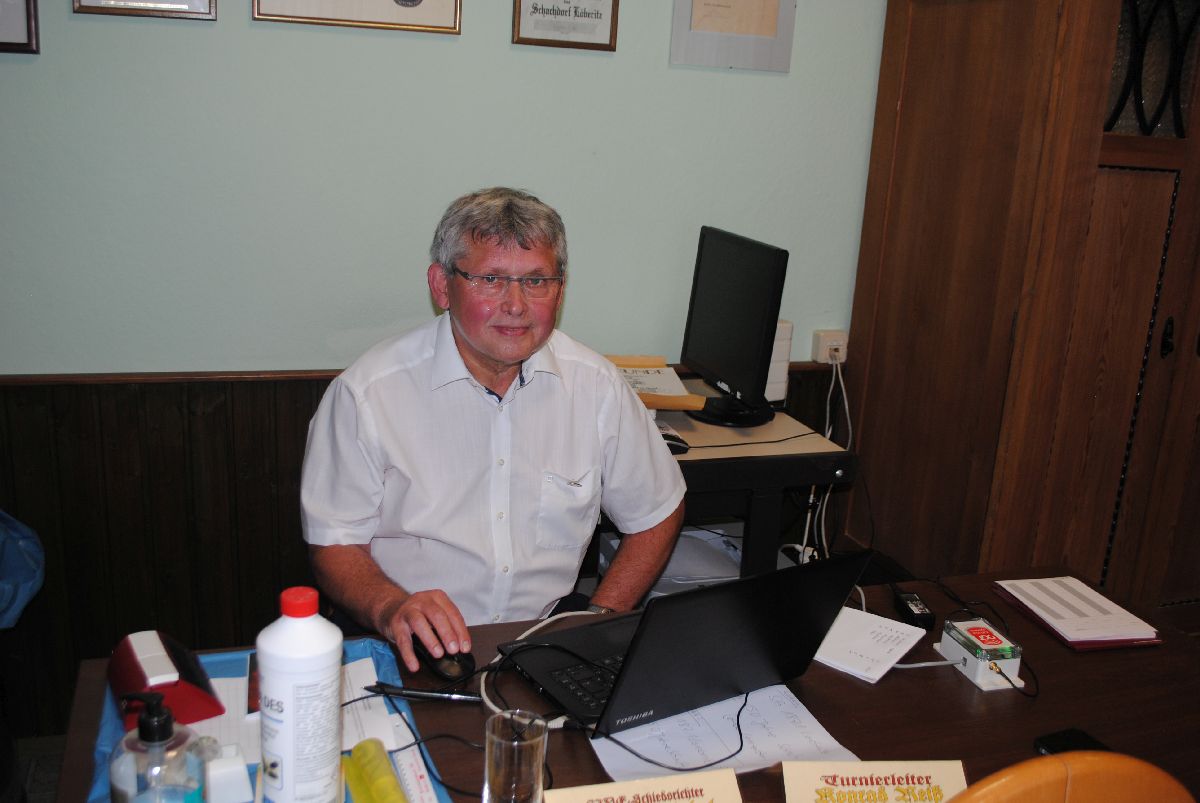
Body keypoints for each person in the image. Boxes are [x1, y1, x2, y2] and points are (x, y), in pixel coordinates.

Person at [301, 187, 686, 673]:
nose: (516, 305)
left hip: (544, 644)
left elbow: (656, 512)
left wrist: (599, 621)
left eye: (536, 281)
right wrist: (390, 606)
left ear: (560, 289)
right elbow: (335, 542)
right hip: (407, 645)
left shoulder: (596, 386)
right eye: (491, 280)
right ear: (442, 286)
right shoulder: (367, 394)